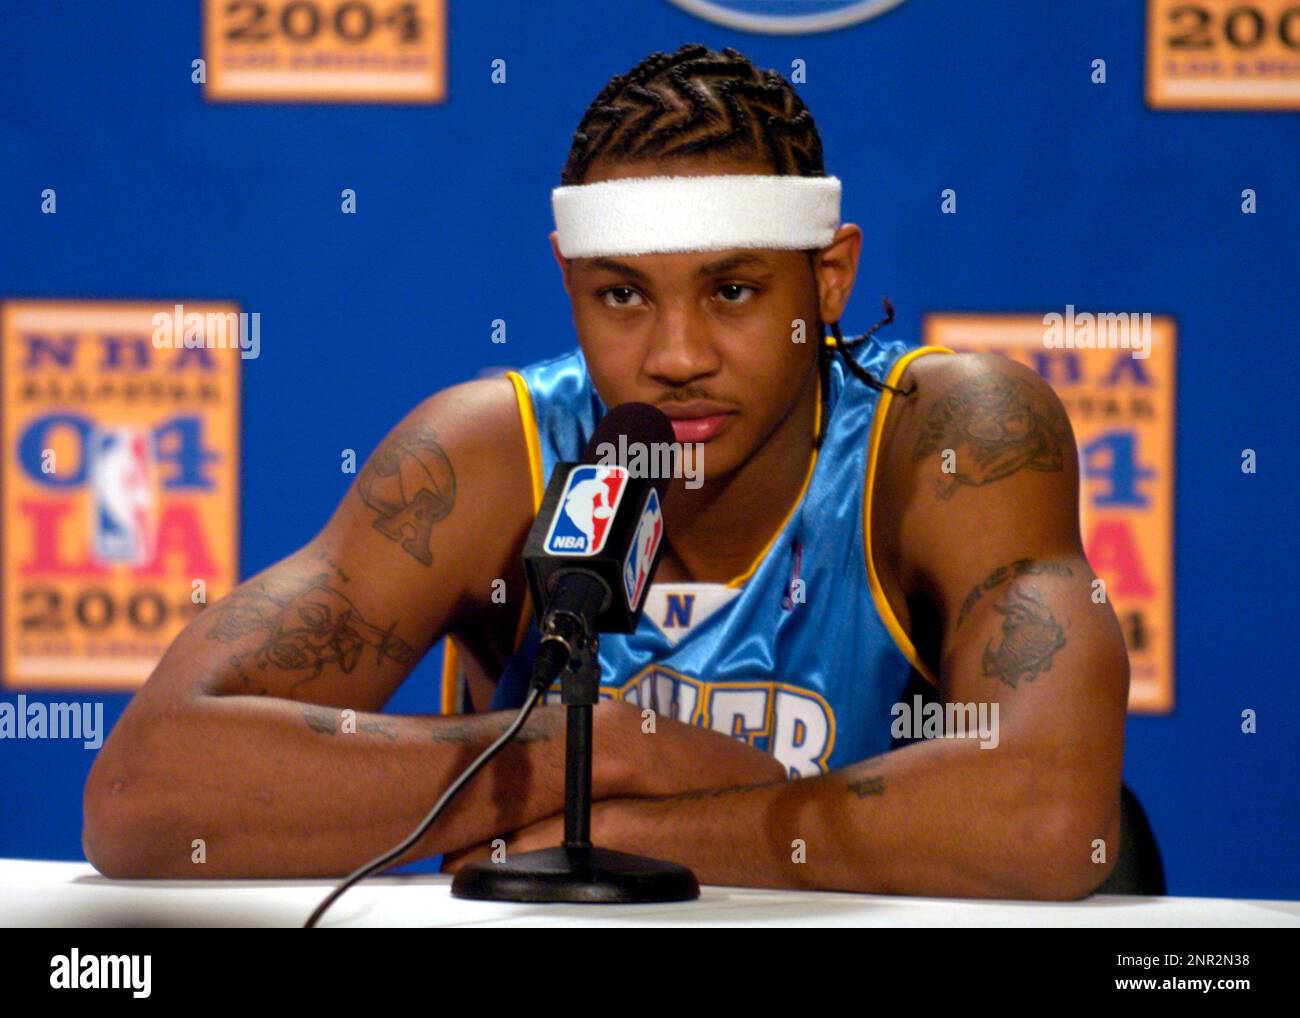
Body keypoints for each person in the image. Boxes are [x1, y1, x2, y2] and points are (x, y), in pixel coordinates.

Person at [83, 44, 1128, 900]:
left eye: (731, 290)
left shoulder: (947, 439)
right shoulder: (488, 453)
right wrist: (601, 749)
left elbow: (1045, 817)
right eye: (622, 297)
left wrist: (615, 822)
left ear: (830, 276)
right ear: (566, 282)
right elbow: (142, 788)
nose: (675, 355)